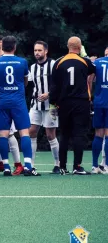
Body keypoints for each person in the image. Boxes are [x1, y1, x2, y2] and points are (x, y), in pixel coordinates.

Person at [0, 36, 38, 176]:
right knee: (24, 133)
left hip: (2, 102)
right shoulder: (22, 62)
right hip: (18, 102)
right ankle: (28, 165)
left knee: (3, 134)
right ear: (15, 47)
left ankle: (5, 167)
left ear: (2, 46)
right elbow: (25, 81)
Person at [50, 36, 96, 175]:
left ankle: (62, 166)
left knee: (64, 134)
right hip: (81, 102)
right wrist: (85, 55)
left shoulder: (58, 62)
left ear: (67, 46)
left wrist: (52, 104)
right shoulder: (85, 61)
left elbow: (54, 86)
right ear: (80, 46)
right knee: (79, 134)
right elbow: (93, 69)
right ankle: (77, 166)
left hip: (64, 102)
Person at [0, 33, 24, 174]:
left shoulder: (9, 59)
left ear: (1, 43)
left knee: (9, 134)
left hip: (6, 101)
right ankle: (0, 163)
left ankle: (18, 163)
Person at [27, 41, 60, 174]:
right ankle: (31, 165)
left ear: (46, 51)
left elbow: (60, 84)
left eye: (40, 50)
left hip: (52, 105)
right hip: (36, 104)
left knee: (50, 134)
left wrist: (49, 94)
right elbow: (29, 86)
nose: (37, 53)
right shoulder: (32, 67)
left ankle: (57, 164)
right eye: (35, 50)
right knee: (31, 131)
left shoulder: (53, 65)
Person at [89, 48, 108, 174]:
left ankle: (95, 166)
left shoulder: (97, 62)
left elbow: (89, 80)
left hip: (99, 102)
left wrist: (89, 97)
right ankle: (106, 165)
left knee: (98, 134)